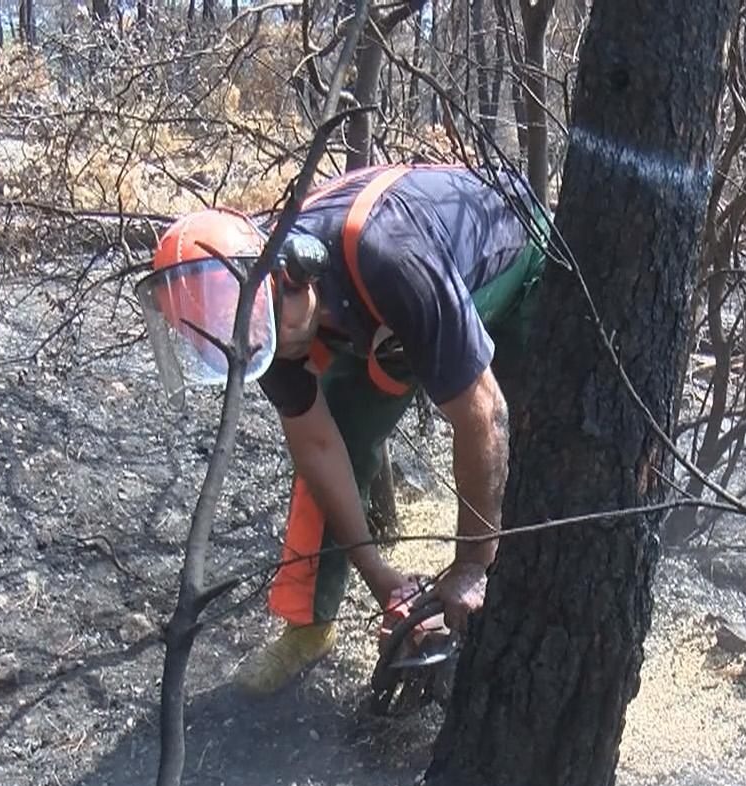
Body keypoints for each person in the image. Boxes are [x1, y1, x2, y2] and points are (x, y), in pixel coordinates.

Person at [235, 163, 550, 693]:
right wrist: (379, 575)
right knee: (342, 431)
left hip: (509, 251)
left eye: (278, 328)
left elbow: (482, 414)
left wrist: (472, 563)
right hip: (379, 309)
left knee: (534, 436)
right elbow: (319, 447)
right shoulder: (259, 325)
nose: (279, 345)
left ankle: (525, 614)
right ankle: (309, 627)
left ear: (300, 274)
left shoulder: (390, 259)